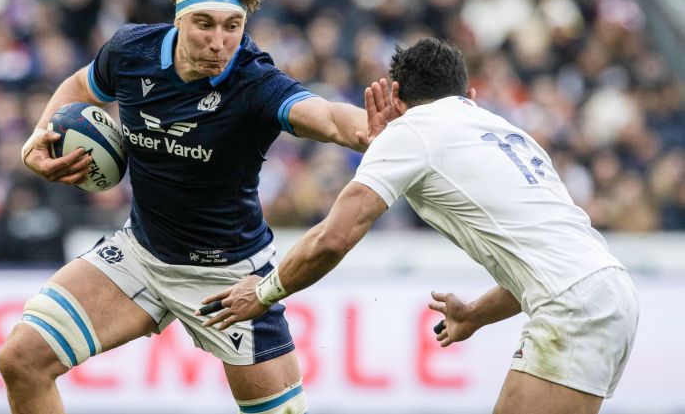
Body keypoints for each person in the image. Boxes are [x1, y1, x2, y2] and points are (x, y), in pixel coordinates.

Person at [0, 0, 395, 414]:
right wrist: (40, 135)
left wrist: (366, 130)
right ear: (178, 18)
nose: (219, 41)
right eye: (204, 24)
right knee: (21, 359)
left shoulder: (254, 82)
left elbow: (326, 117)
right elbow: (83, 86)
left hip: (229, 277)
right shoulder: (131, 50)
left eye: (233, 26)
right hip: (140, 255)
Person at [201, 38, 639, 414]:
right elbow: (544, 263)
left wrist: (263, 292)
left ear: (394, 97)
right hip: (611, 291)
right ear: (468, 92)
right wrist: (474, 315)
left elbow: (333, 239)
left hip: (574, 307)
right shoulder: (510, 133)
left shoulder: (411, 131)